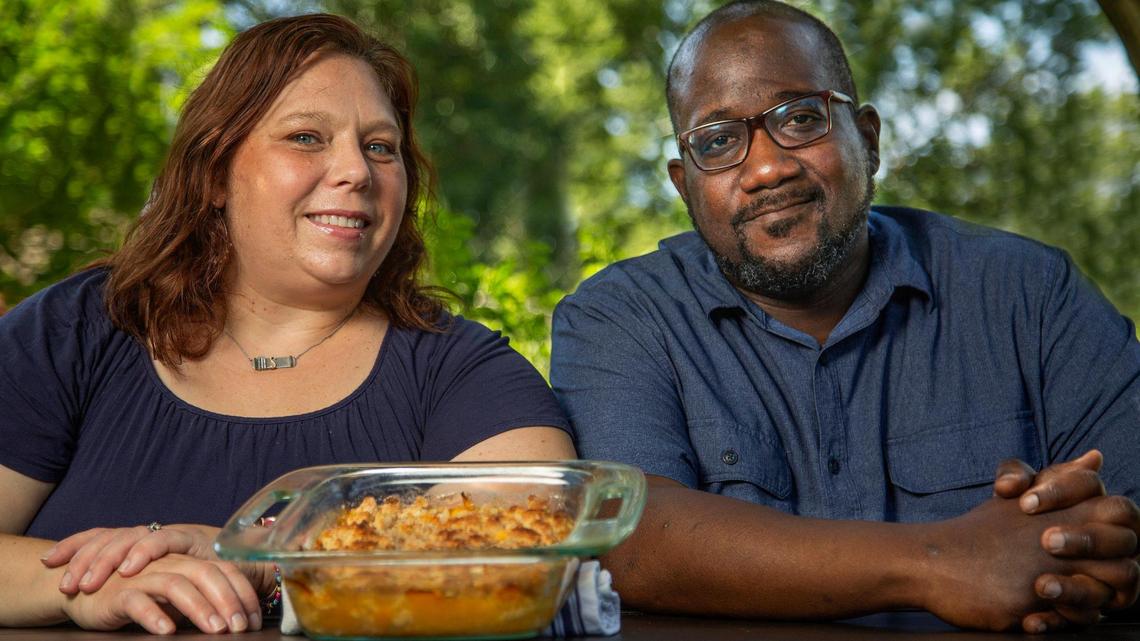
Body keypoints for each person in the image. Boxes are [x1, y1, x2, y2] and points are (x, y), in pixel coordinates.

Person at [550, 0, 1139, 633]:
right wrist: (942, 561)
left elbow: (1122, 519)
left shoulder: (1030, 293)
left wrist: (1089, 553)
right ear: (683, 184)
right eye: (718, 141)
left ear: (868, 140)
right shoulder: (619, 320)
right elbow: (629, 537)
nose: (767, 169)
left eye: (801, 119)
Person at [0, 14, 575, 635]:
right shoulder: (77, 330)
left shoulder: (461, 370)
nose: (357, 171)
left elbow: (531, 548)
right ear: (214, 173)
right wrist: (86, 584)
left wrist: (268, 564)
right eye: (306, 137)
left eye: (380, 147)